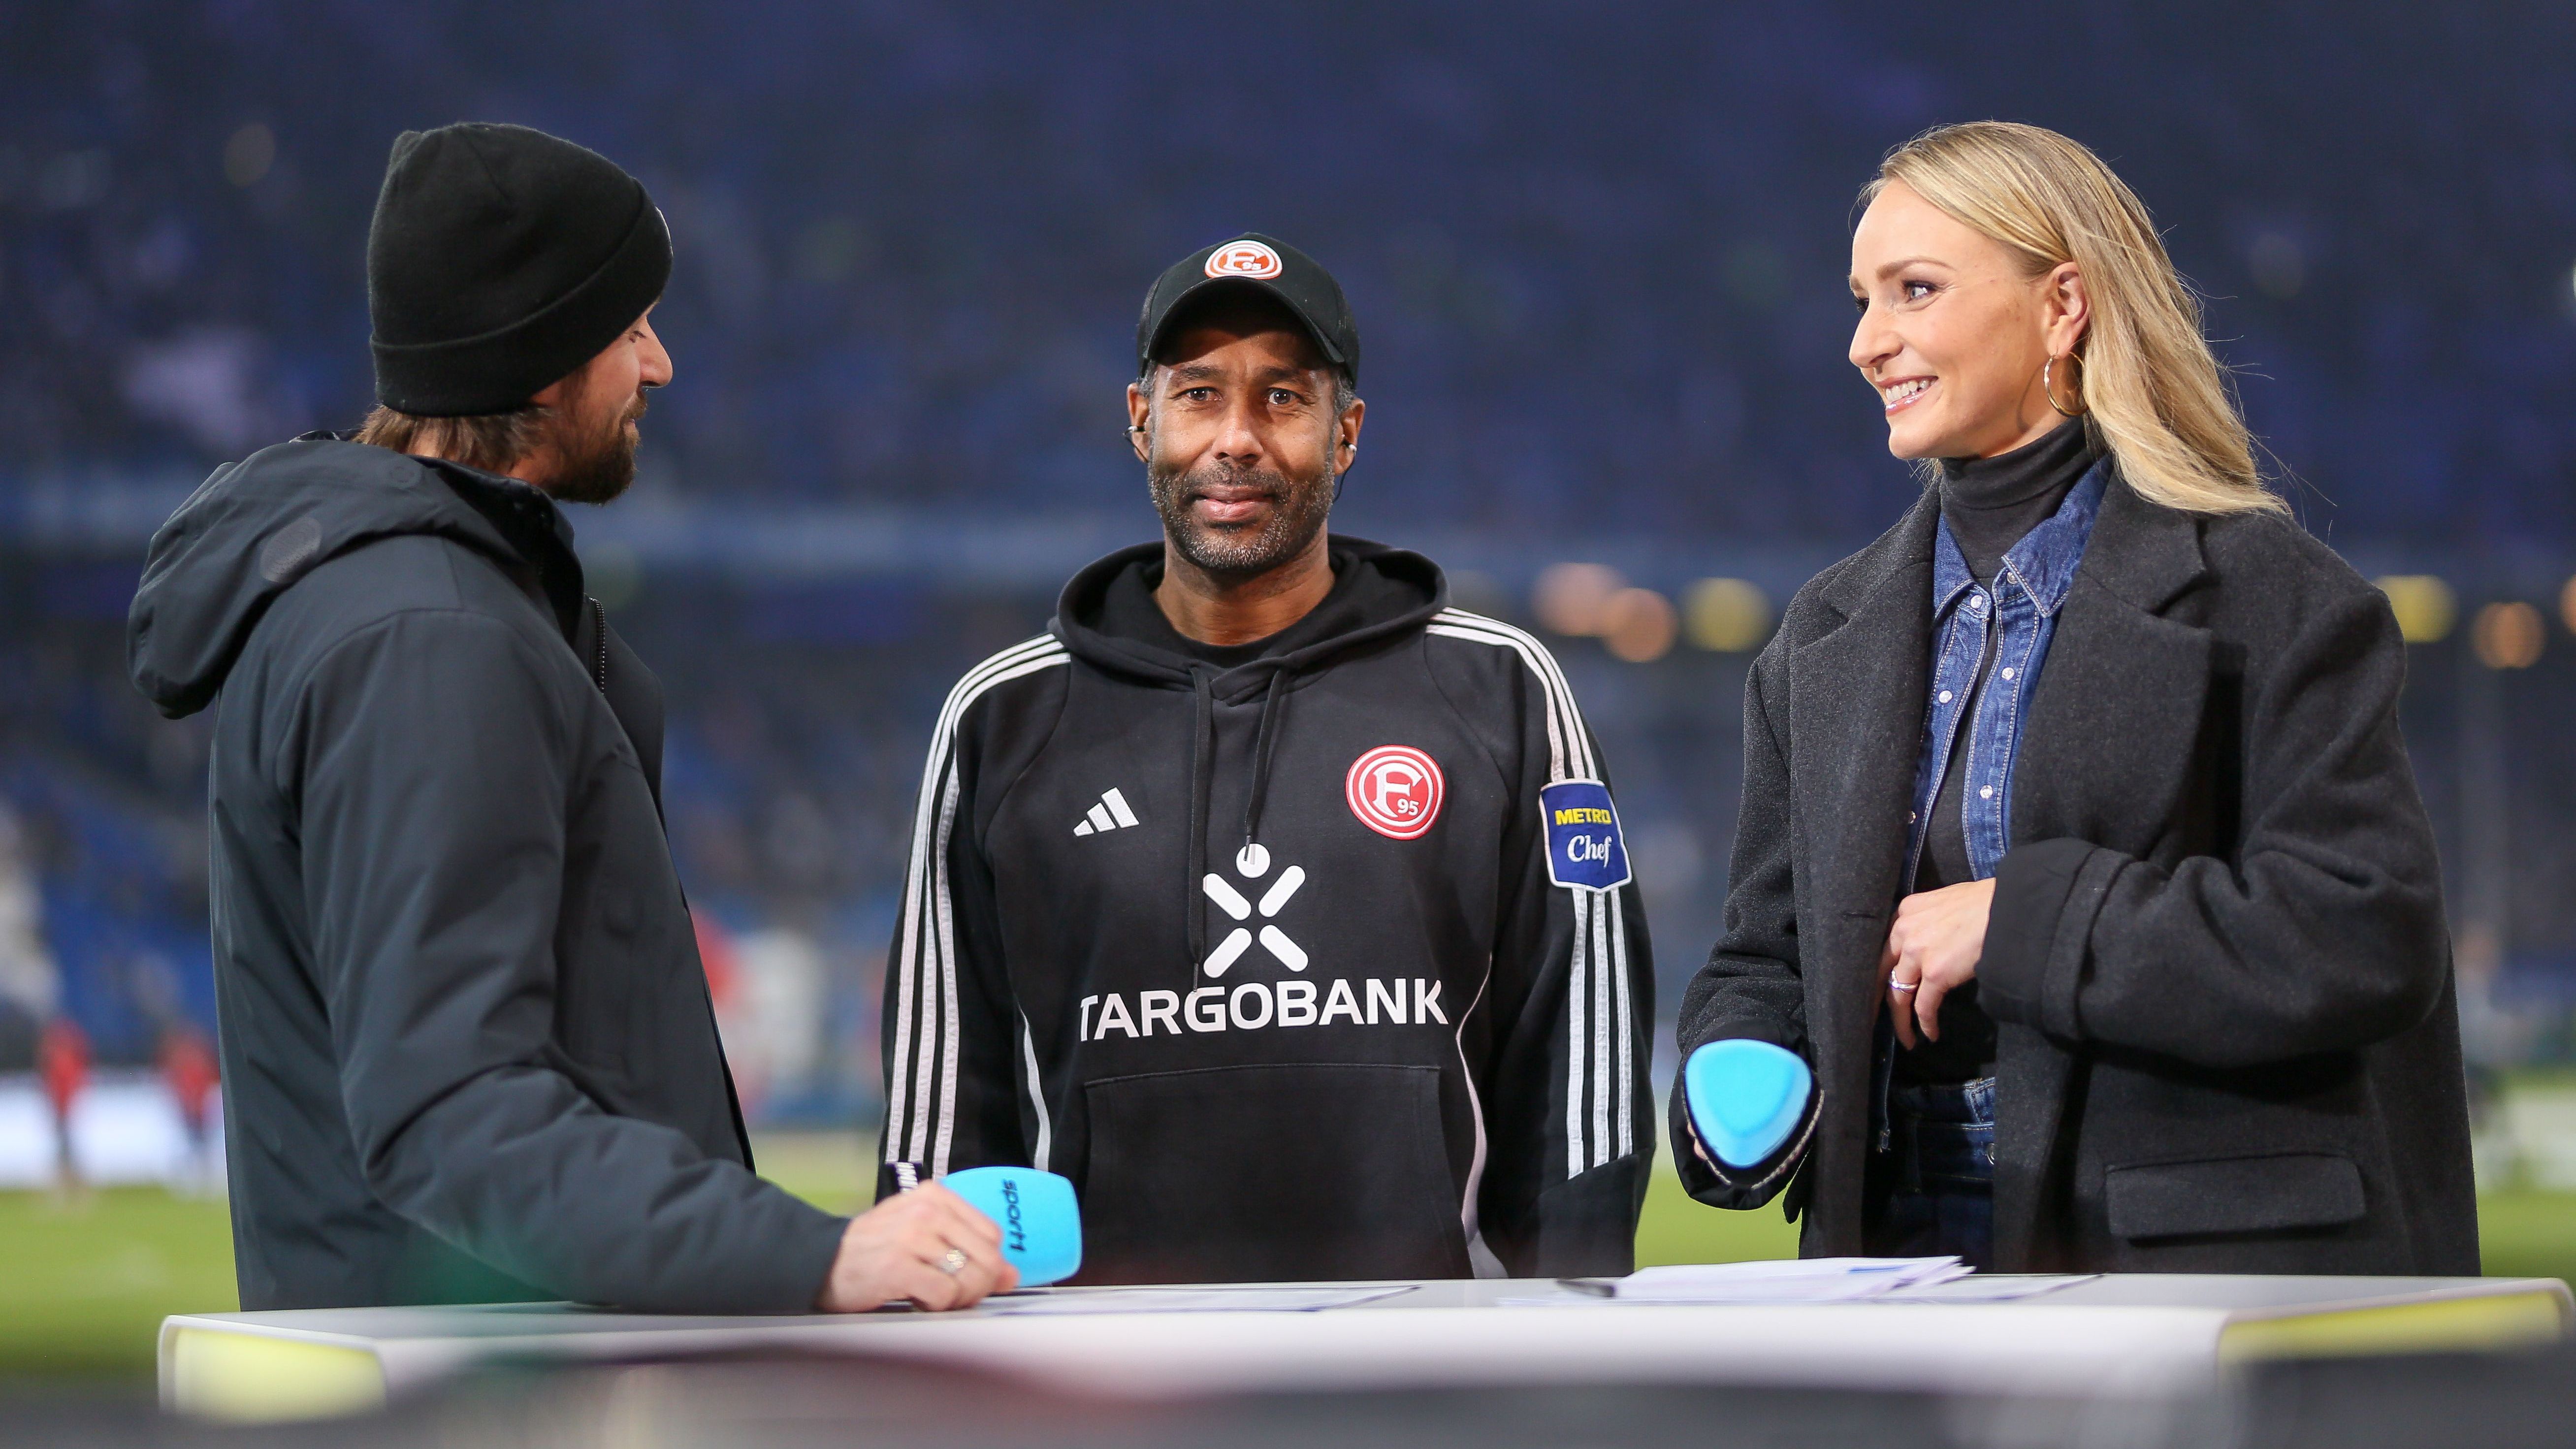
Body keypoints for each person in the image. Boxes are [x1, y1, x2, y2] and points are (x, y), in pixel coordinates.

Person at [127, 123, 1012, 1313]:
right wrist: (815, 1254)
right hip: (477, 1387)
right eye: (631, 325)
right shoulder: (429, 633)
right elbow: (455, 1109)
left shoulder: (405, 601)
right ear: (541, 356)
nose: (660, 364)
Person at [1671, 122, 2477, 1274]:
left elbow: (2362, 929)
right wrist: (1740, 1053)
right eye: (1861, 299)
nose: (1865, 342)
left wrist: (2024, 922)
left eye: (1914, 290)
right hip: (1893, 1251)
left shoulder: (2275, 597)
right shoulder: (1821, 633)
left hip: (2183, 1260)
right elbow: (1767, 951)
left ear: (2064, 305)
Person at [881, 234, 1654, 1283]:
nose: (1236, 439)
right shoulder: (1004, 717)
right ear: (1140, 418)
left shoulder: (1502, 691)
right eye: (1199, 394)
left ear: (1347, 433)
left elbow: (1582, 1041)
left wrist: (1576, 1321)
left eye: (1283, 399)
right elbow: (942, 1105)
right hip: (1103, 1379)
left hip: (1419, 1365)